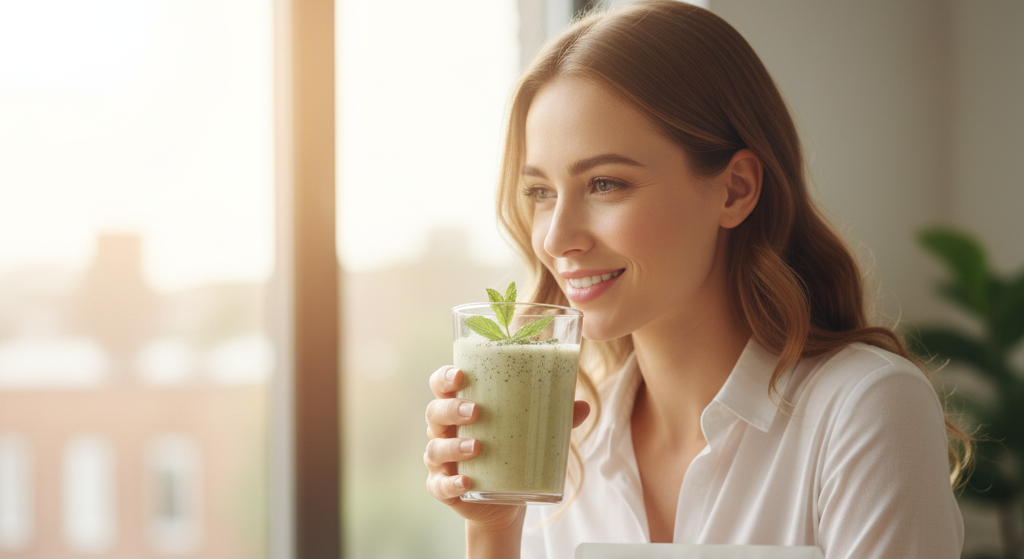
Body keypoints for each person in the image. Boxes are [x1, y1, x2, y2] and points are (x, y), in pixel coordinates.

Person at [423, 2, 971, 557]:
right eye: (541, 192)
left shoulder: (863, 408)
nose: (556, 239)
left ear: (735, 189)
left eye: (605, 184)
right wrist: (494, 525)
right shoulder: (560, 442)